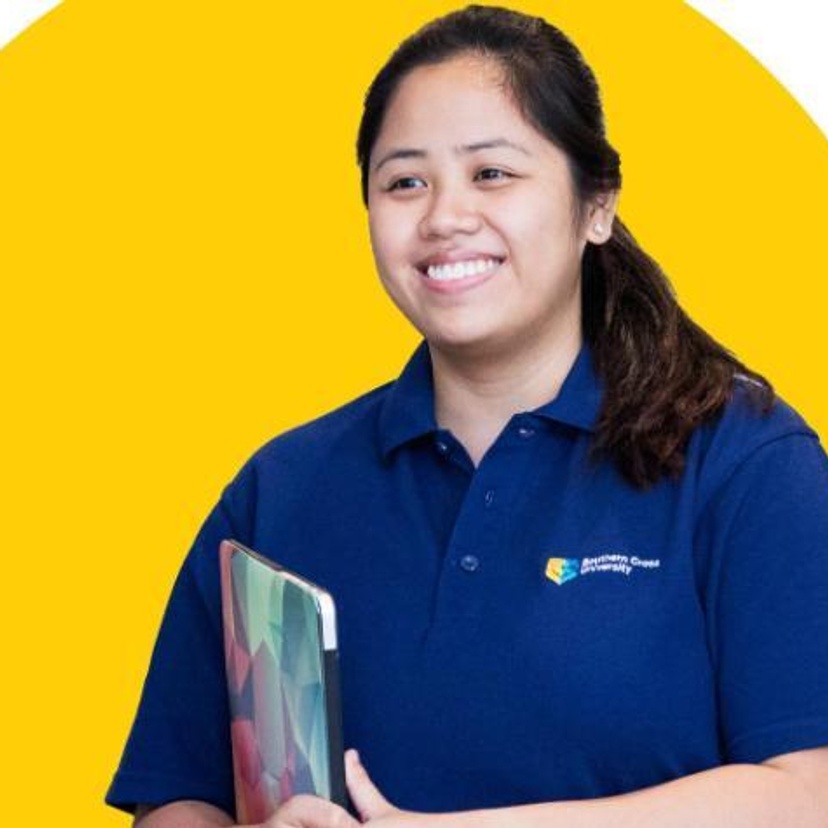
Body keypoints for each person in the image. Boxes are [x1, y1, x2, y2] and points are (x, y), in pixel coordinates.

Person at [106, 5, 828, 826]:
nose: (445, 216)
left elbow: (810, 794)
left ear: (597, 204)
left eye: (492, 173)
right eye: (405, 181)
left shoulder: (745, 461)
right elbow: (176, 796)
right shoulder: (282, 489)